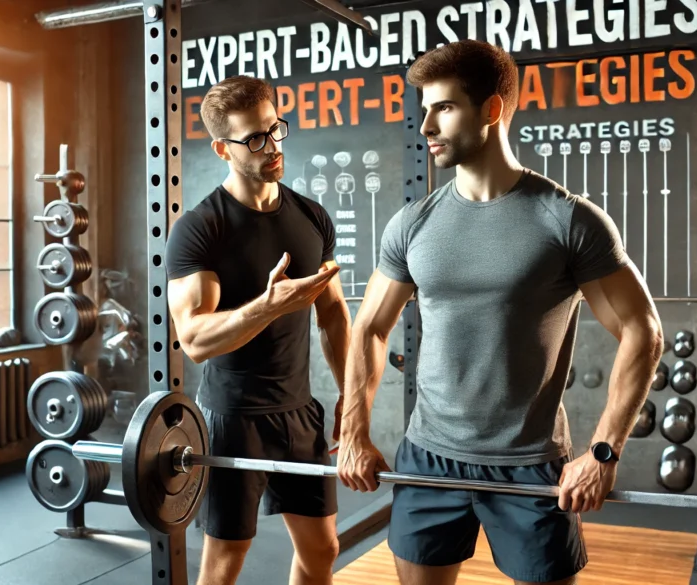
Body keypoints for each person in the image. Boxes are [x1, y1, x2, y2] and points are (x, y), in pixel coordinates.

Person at [337, 40, 664, 585]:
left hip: (530, 465)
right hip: (429, 458)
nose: (426, 128)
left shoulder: (566, 220)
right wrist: (353, 433)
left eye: (444, 108)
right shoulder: (412, 224)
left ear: (491, 110)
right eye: (424, 111)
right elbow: (370, 326)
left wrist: (603, 453)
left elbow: (641, 330)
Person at [165, 75, 350, 585]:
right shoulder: (201, 229)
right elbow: (195, 340)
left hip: (300, 412)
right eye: (254, 138)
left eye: (275, 130)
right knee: (225, 563)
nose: (272, 147)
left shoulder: (311, 217)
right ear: (223, 148)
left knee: (322, 550)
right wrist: (266, 307)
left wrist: (349, 392)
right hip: (233, 418)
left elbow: (332, 313)